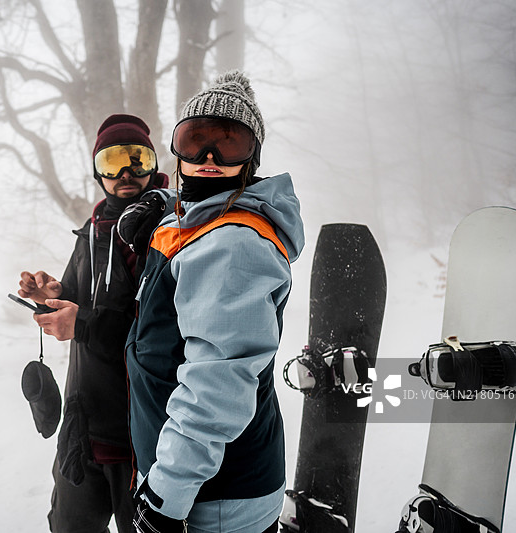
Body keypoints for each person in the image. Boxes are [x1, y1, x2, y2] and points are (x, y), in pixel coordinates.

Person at [120, 71, 305, 532]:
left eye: (230, 144)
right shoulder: (200, 219)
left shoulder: (234, 243)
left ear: (252, 159)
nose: (208, 158)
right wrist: (161, 201)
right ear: (176, 150)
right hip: (197, 471)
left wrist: (168, 491)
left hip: (213, 494)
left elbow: (218, 382)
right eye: (194, 140)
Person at [18, 114, 168, 533]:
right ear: (97, 171)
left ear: (153, 165)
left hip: (139, 432)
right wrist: (51, 291)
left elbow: (159, 330)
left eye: (136, 160)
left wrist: (80, 324)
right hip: (84, 427)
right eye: (112, 161)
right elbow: (79, 298)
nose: (125, 173)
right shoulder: (93, 230)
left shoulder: (169, 229)